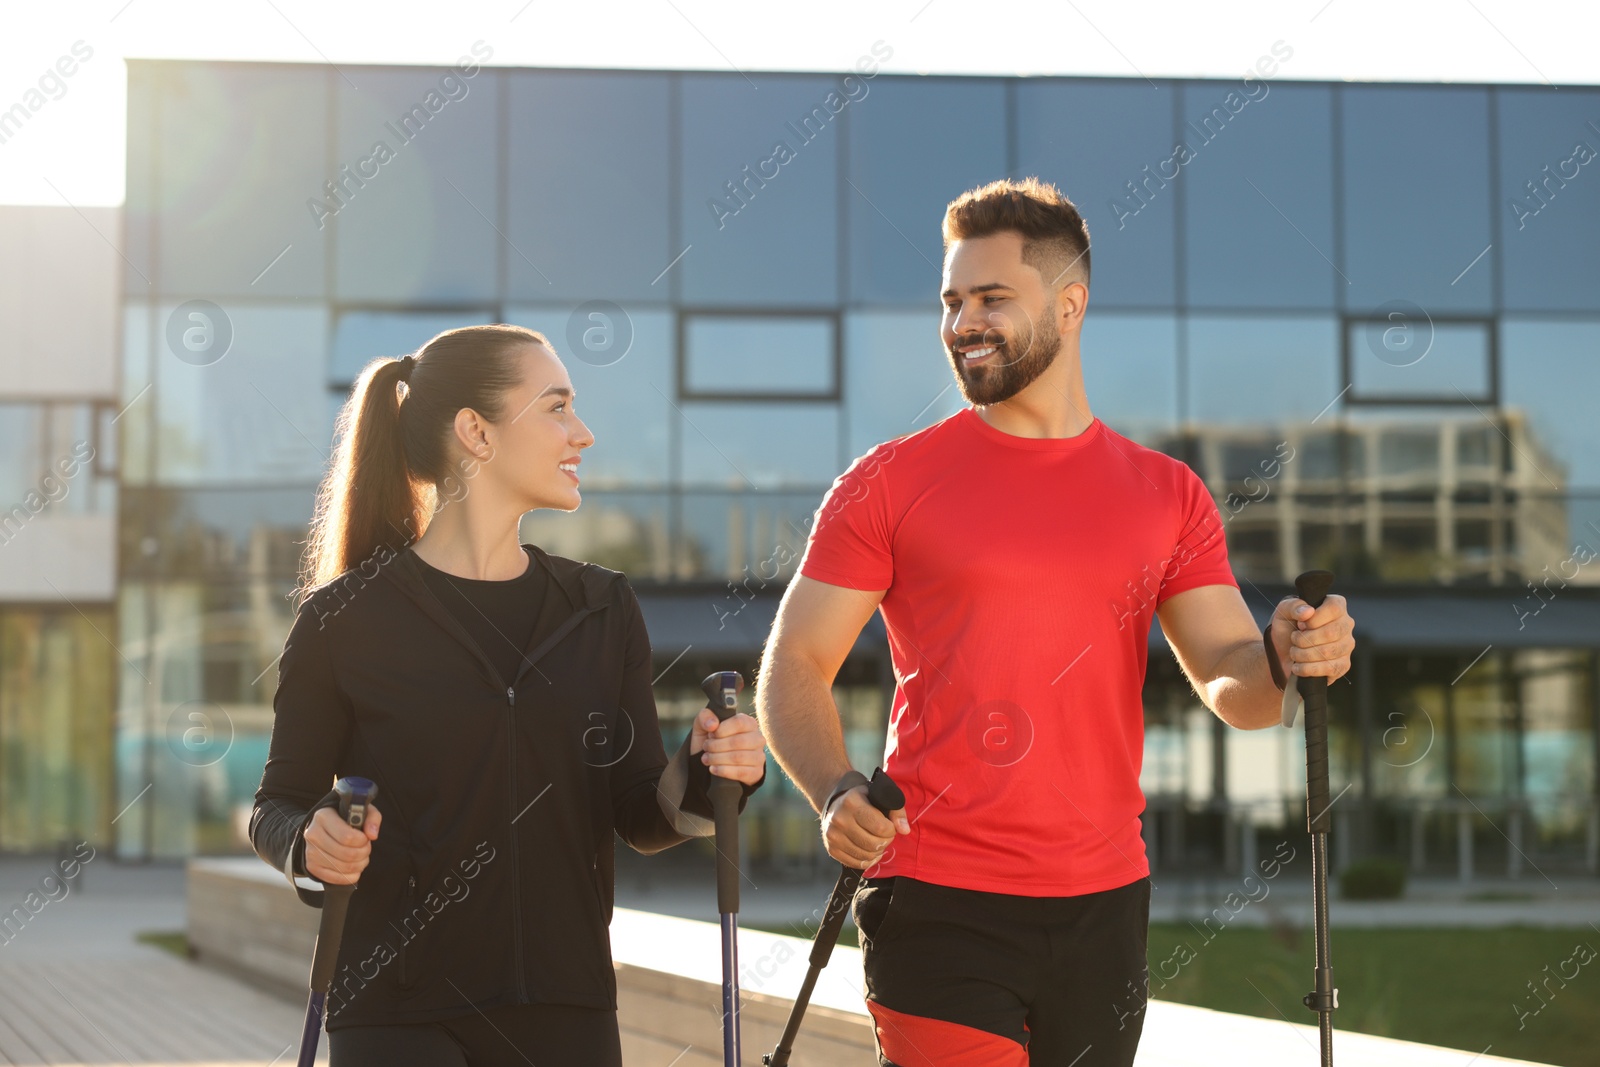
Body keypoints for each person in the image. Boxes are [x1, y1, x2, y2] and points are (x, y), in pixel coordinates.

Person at [758, 178, 1356, 1067]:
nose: (965, 321)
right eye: (953, 300)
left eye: (993, 298)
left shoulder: (1168, 495)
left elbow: (1239, 683)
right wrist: (837, 788)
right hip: (936, 894)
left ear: (1070, 304)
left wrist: (1288, 656)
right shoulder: (888, 481)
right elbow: (794, 663)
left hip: (1104, 905)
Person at [249, 324, 767, 1066]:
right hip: (398, 1014)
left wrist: (710, 763)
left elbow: (642, 812)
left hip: (568, 1010)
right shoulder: (343, 620)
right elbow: (278, 804)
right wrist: (309, 843)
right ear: (475, 432)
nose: (582, 433)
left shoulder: (600, 607)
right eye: (557, 407)